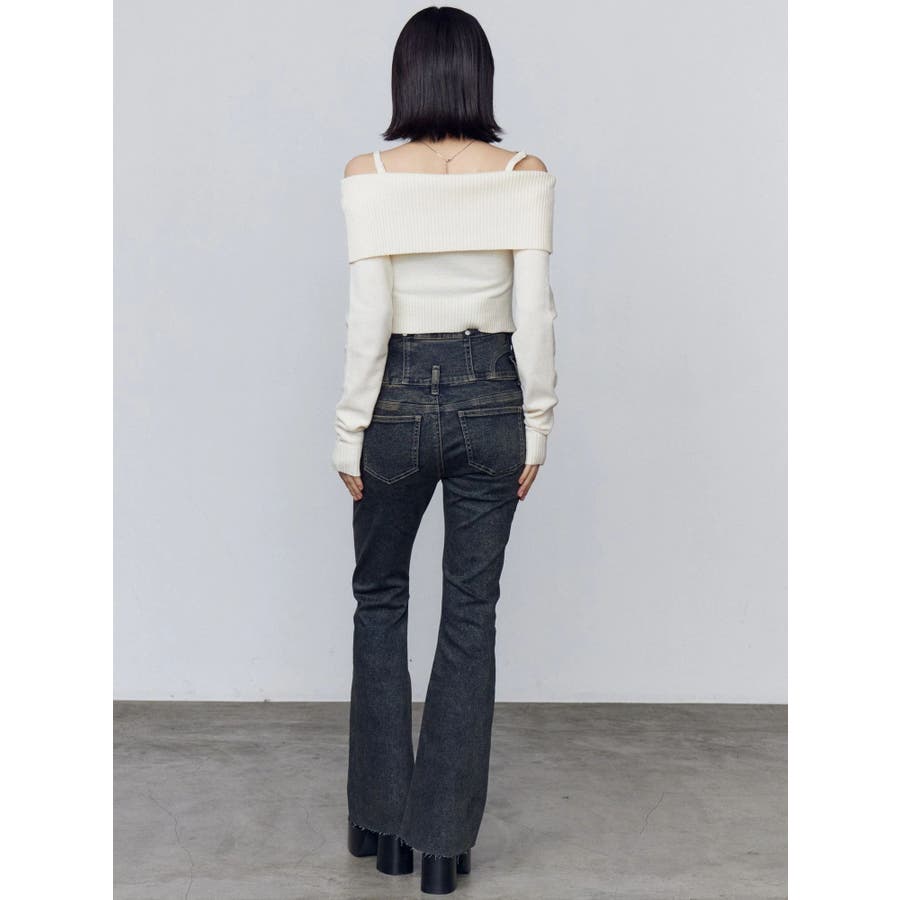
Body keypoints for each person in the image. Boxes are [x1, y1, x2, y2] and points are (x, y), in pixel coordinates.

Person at [331, 6, 558, 894]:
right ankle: (443, 848)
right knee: (471, 612)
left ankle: (381, 826)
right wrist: (537, 422)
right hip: (492, 393)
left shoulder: (369, 175)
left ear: (407, 77)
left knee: (379, 599)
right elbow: (533, 312)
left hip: (393, 397)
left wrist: (350, 428)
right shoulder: (524, 173)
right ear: (478, 77)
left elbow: (368, 319)